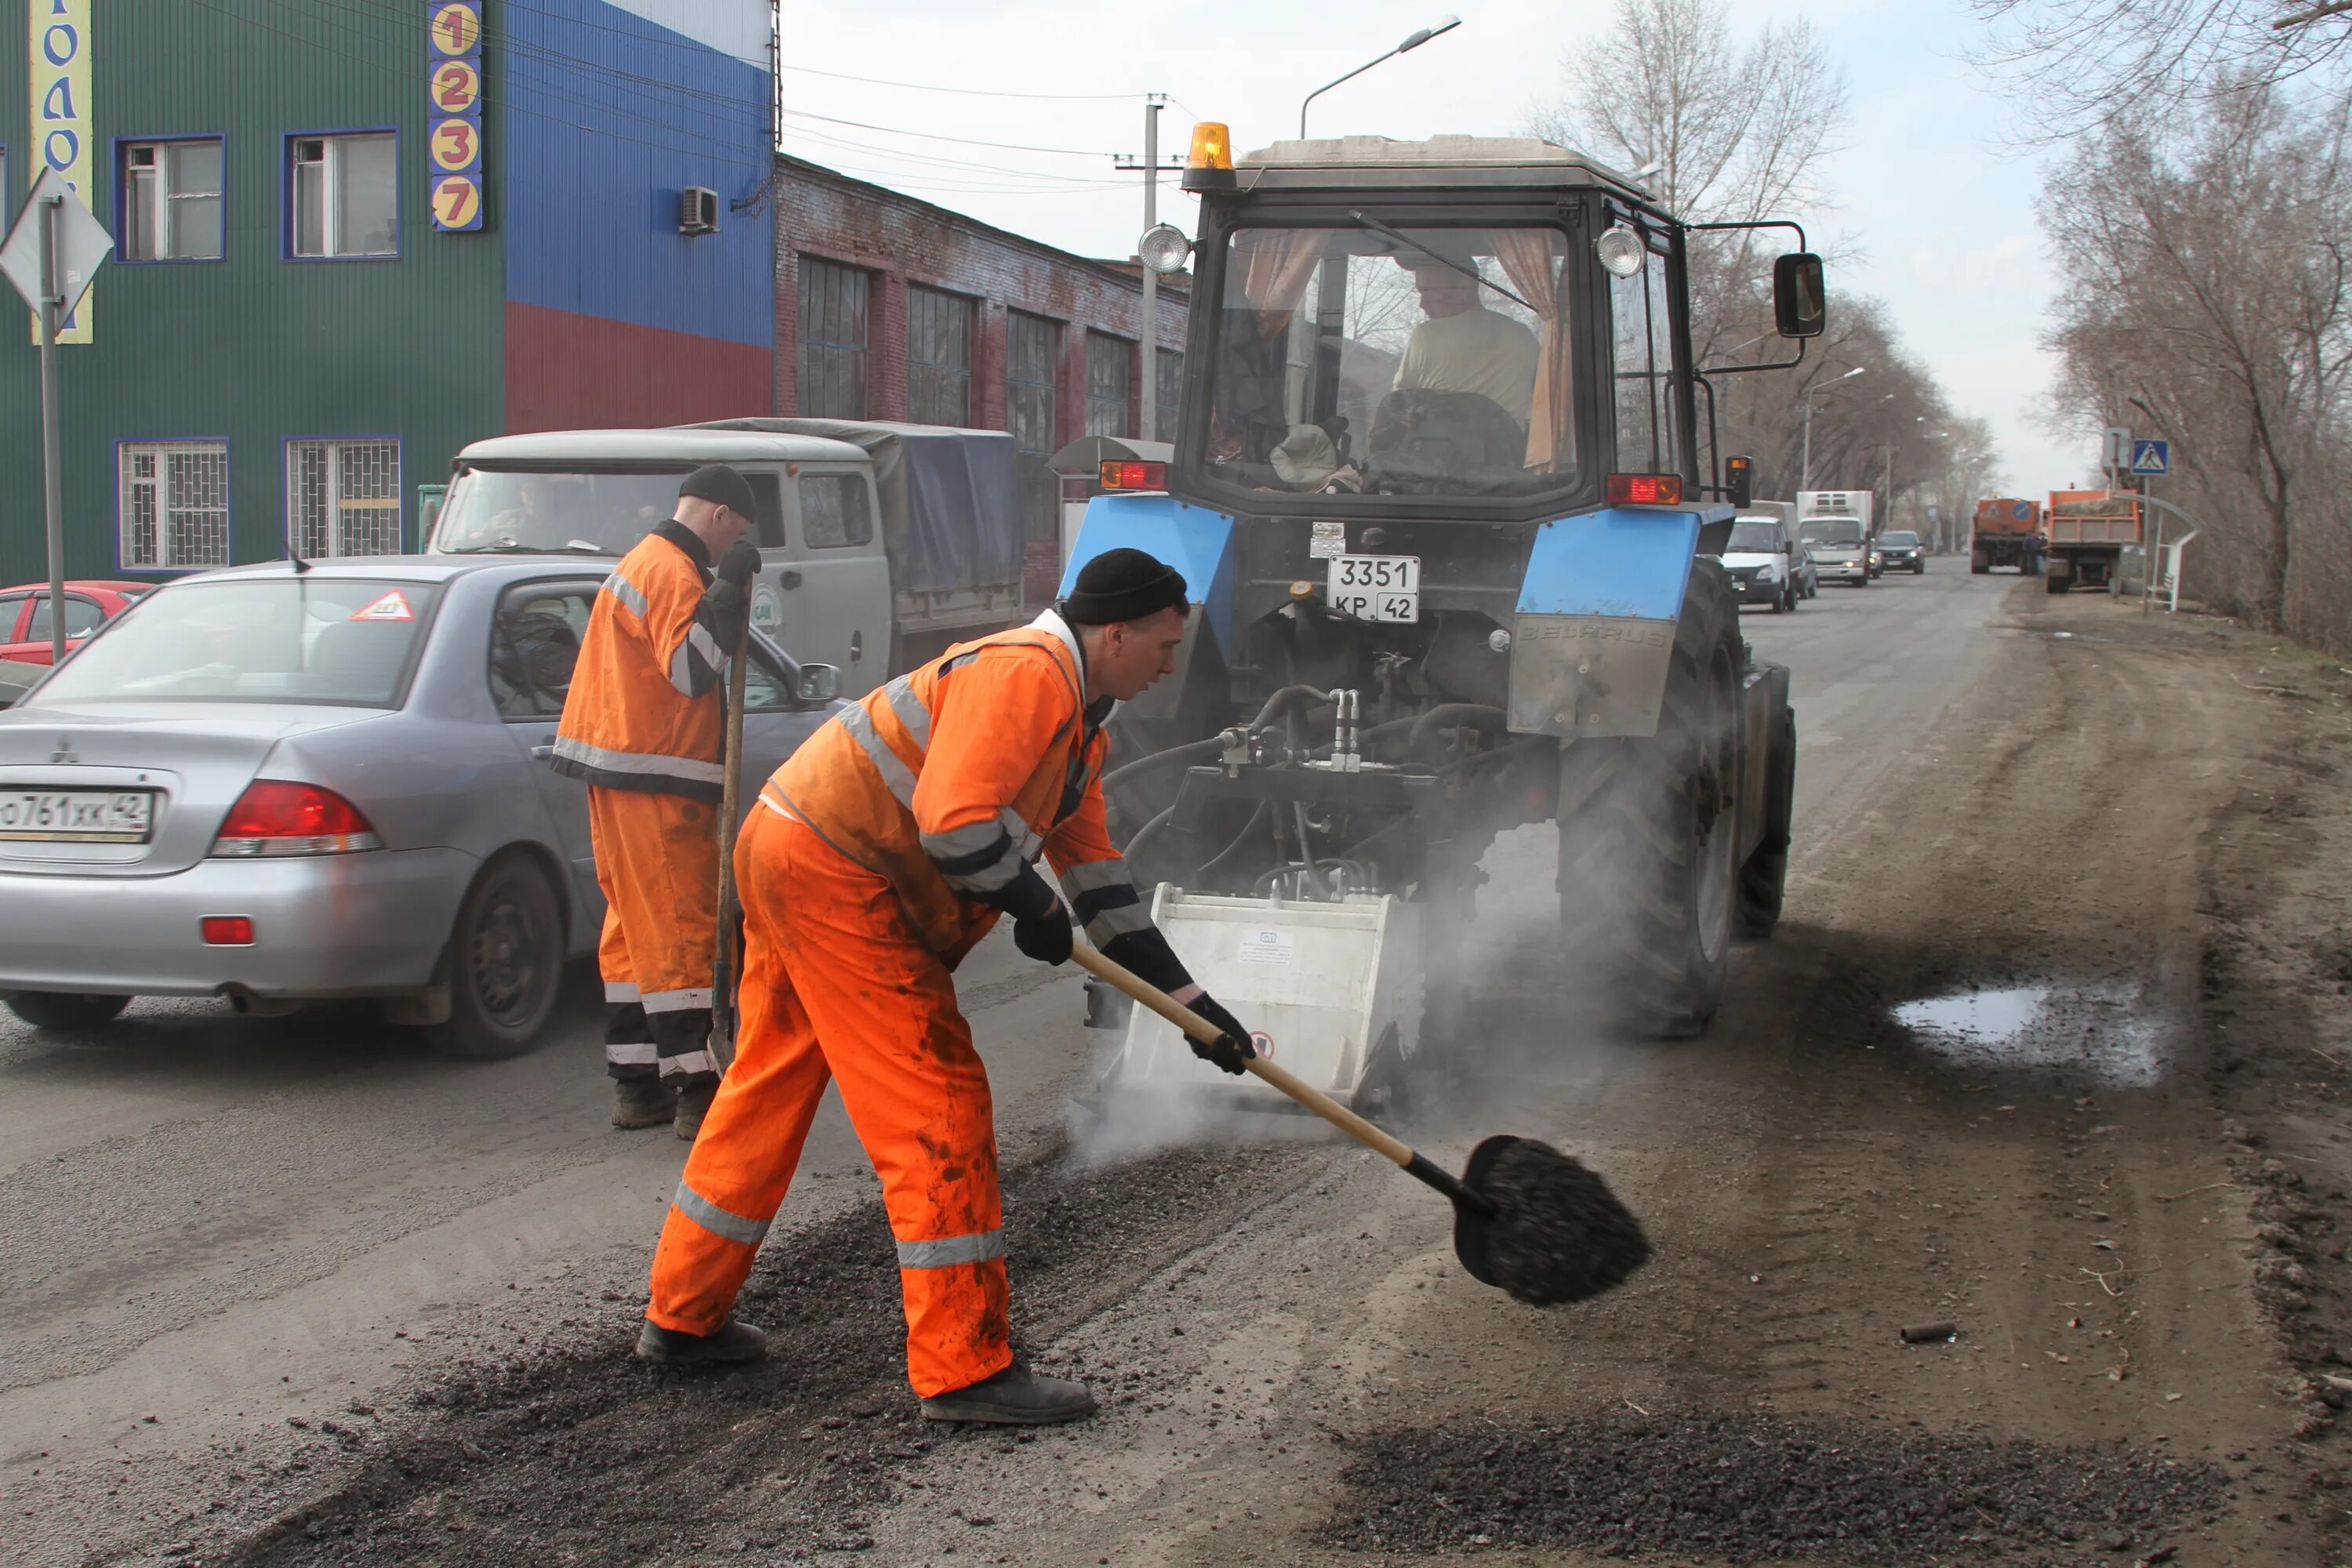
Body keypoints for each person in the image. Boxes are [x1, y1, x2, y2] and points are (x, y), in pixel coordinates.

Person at [636, 547, 1258, 1426]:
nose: (1170, 664)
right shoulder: (1028, 676)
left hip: (792, 843)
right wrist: (1032, 905)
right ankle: (964, 1367)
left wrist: (1196, 1010)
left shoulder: (1082, 726)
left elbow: (1102, 884)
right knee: (941, 1104)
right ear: (1113, 631)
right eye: (1162, 644)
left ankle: (683, 1314)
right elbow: (955, 828)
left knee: (769, 1083)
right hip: (835, 870)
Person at [550, 464, 762, 1140]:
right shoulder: (674, 571)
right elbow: (690, 669)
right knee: (681, 926)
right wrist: (726, 593)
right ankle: (697, 1088)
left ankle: (637, 1086)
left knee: (632, 930)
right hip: (658, 775)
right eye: (738, 536)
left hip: (620, 769)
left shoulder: (640, 561)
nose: (733, 549)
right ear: (722, 516)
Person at [1392, 261, 1539, 426]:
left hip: (1435, 449)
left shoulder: (1427, 334)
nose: (1423, 304)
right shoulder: (1522, 335)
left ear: (1465, 284)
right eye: (1420, 292)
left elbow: (1397, 403)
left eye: (1430, 291)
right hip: (1506, 450)